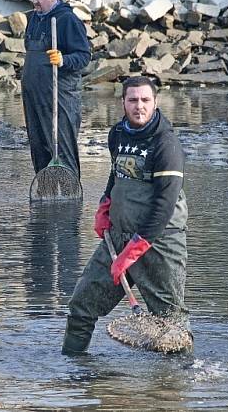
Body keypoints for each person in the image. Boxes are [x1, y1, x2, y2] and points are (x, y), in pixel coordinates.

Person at [62, 76, 189, 355]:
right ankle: (73, 374)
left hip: (160, 244)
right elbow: (116, 173)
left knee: (170, 328)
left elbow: (165, 204)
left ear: (155, 103)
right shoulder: (117, 134)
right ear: (122, 103)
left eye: (145, 100)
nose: (139, 106)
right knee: (81, 306)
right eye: (133, 100)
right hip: (117, 237)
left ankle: (175, 387)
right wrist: (104, 206)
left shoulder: (166, 145)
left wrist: (134, 251)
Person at [21, 0, 90, 179]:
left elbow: (84, 55)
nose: (35, 2)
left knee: (62, 147)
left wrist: (63, 60)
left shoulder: (67, 20)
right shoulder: (33, 17)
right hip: (34, 94)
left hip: (60, 96)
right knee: (39, 145)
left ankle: (69, 197)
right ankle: (45, 189)